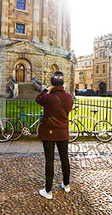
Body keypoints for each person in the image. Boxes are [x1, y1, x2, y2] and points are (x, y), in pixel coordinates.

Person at [35, 71, 73, 200]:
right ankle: (66, 184)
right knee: (64, 159)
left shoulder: (48, 97)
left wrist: (46, 89)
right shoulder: (69, 97)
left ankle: (48, 190)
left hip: (49, 133)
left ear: (53, 83)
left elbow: (38, 99)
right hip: (63, 132)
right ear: (62, 83)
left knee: (50, 160)